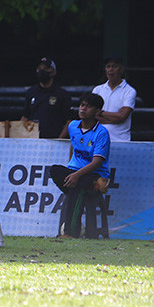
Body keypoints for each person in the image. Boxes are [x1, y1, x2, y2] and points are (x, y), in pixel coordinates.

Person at [49, 93, 111, 238]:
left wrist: (76, 175)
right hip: (81, 175)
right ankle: (94, 185)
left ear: (97, 111)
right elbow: (73, 146)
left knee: (76, 188)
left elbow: (97, 162)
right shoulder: (72, 126)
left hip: (95, 173)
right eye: (82, 105)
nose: (83, 109)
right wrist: (72, 170)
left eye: (88, 106)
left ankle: (70, 233)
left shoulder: (102, 132)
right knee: (55, 170)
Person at [20, 57, 72, 139]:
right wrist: (18, 136)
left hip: (53, 140)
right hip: (33, 140)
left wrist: (60, 139)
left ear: (53, 72)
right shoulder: (31, 92)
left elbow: (68, 121)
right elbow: (25, 116)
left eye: (46, 68)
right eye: (39, 68)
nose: (42, 71)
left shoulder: (62, 94)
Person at [92, 55, 136, 142]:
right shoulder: (97, 89)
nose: (110, 69)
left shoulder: (129, 91)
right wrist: (116, 117)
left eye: (114, 66)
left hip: (120, 141)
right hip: (97, 140)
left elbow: (122, 116)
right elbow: (92, 115)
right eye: (108, 66)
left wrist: (100, 113)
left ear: (121, 69)